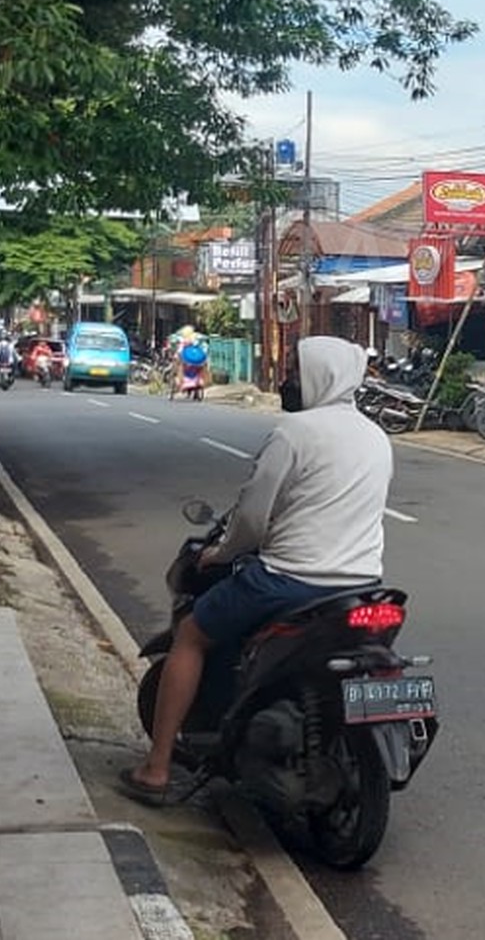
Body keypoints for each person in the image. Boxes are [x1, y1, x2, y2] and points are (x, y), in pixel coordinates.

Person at [118, 336, 392, 806]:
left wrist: (220, 554)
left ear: (319, 376)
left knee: (190, 635)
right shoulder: (376, 437)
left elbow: (251, 517)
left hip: (288, 581)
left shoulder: (296, 432)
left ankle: (157, 769)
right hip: (362, 587)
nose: (287, 378)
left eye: (294, 370)